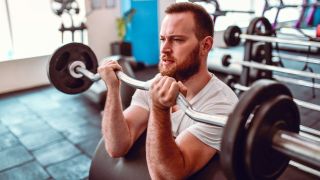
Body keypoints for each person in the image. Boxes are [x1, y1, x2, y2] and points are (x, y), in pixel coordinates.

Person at [98, 2, 238, 179]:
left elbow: (165, 177)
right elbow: (116, 146)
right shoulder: (154, 84)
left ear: (205, 46)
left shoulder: (220, 107)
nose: (164, 49)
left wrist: (158, 109)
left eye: (177, 40)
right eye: (163, 39)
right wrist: (112, 89)